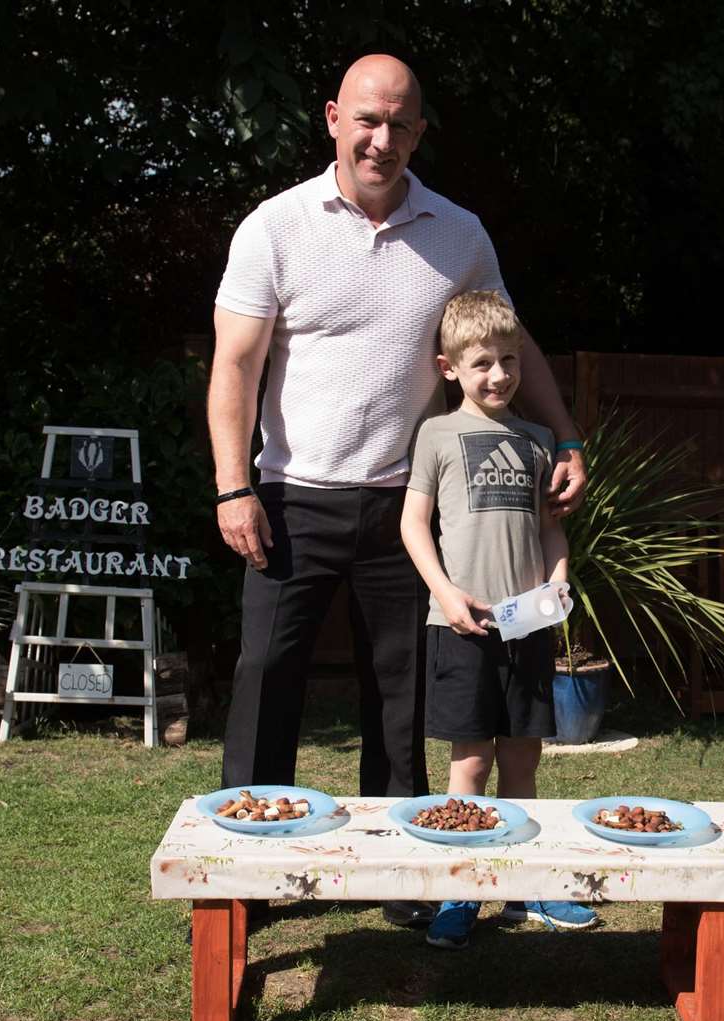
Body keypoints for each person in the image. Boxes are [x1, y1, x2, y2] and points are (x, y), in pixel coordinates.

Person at [207, 54, 588, 930]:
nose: (382, 140)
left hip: (407, 509)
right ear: (334, 117)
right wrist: (234, 488)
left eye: (401, 124)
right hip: (291, 499)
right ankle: (248, 876)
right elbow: (234, 364)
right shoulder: (275, 226)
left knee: (400, 696)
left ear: (420, 131)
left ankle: (398, 873)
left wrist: (564, 434)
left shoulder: (457, 233)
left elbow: (509, 340)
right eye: (367, 120)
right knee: (267, 682)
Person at [400, 291, 598, 949]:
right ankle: (464, 887)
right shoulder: (435, 435)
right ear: (449, 366)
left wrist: (558, 577)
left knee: (523, 757)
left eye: (509, 360)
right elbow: (412, 525)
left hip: (526, 627)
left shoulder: (539, 440)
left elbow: (549, 534)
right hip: (459, 625)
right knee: (470, 762)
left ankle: (525, 887)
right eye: (482, 362)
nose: (499, 374)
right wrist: (446, 593)